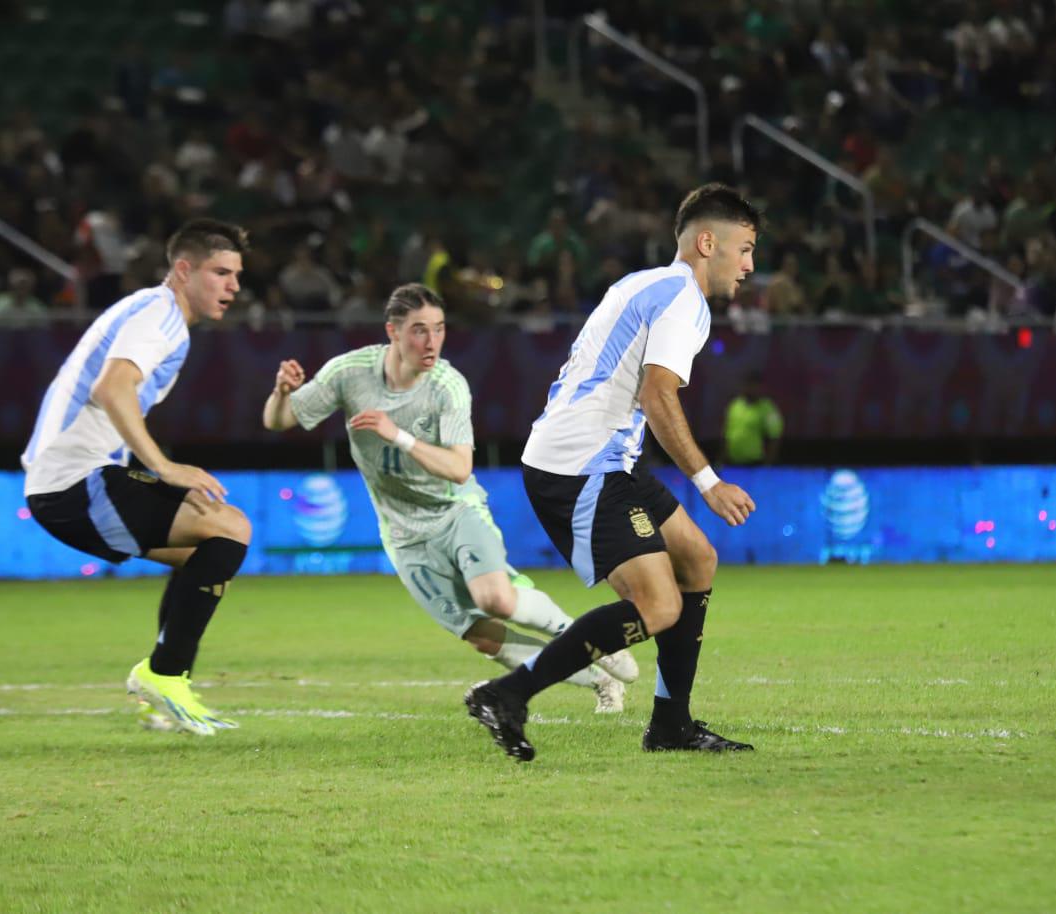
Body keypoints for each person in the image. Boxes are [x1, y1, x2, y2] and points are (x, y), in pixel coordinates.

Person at [465, 183, 760, 762]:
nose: (750, 266)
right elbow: (657, 395)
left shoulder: (642, 282)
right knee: (659, 606)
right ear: (708, 242)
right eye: (745, 248)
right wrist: (709, 481)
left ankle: (671, 725)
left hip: (604, 457)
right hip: (582, 464)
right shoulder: (684, 301)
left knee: (697, 559)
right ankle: (508, 694)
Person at [262, 283, 638, 712]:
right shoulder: (350, 373)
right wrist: (281, 393)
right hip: (403, 533)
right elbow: (279, 421)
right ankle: (599, 680)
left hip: (456, 511)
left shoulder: (447, 386)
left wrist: (397, 435)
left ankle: (590, 639)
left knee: (496, 599)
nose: (431, 341)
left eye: (438, 329)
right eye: (419, 330)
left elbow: (460, 468)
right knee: (483, 636)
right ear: (393, 332)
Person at [21, 219, 253, 736]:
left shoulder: (152, 311)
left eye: (237, 275)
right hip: (75, 481)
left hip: (64, 482)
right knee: (230, 527)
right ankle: (165, 674)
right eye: (220, 272)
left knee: (204, 549)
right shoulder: (161, 314)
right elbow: (112, 387)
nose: (233, 286)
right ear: (184, 270)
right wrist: (164, 467)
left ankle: (163, 692)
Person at [721, 373, 784, 466]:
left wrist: (768, 464)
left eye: (755, 386)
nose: (752, 389)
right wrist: (721, 459)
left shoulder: (768, 408)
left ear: (761, 388)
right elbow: (727, 434)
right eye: (749, 386)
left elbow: (774, 438)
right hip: (732, 462)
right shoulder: (735, 405)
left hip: (754, 464)